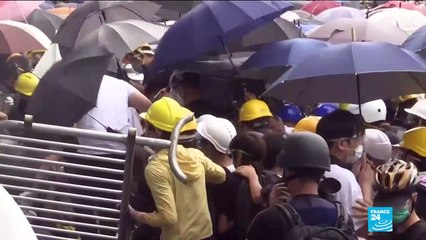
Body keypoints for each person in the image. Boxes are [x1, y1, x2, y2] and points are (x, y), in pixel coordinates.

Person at [130, 97, 226, 240]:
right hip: (206, 235)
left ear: (156, 131)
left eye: (145, 125)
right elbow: (221, 175)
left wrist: (137, 215)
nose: (143, 131)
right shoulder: (196, 156)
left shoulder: (156, 168)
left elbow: (168, 217)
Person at [246, 132, 357, 240]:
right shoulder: (343, 215)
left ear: (287, 172)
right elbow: (370, 230)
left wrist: (273, 210)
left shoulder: (270, 219)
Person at [316, 109, 375, 231]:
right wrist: (366, 187)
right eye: (358, 138)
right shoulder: (343, 176)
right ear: (342, 143)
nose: (361, 143)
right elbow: (366, 226)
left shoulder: (316, 168)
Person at [370, 160, 426, 240]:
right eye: (384, 203)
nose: (389, 210)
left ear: (414, 198)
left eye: (395, 204)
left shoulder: (422, 234)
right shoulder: (383, 219)